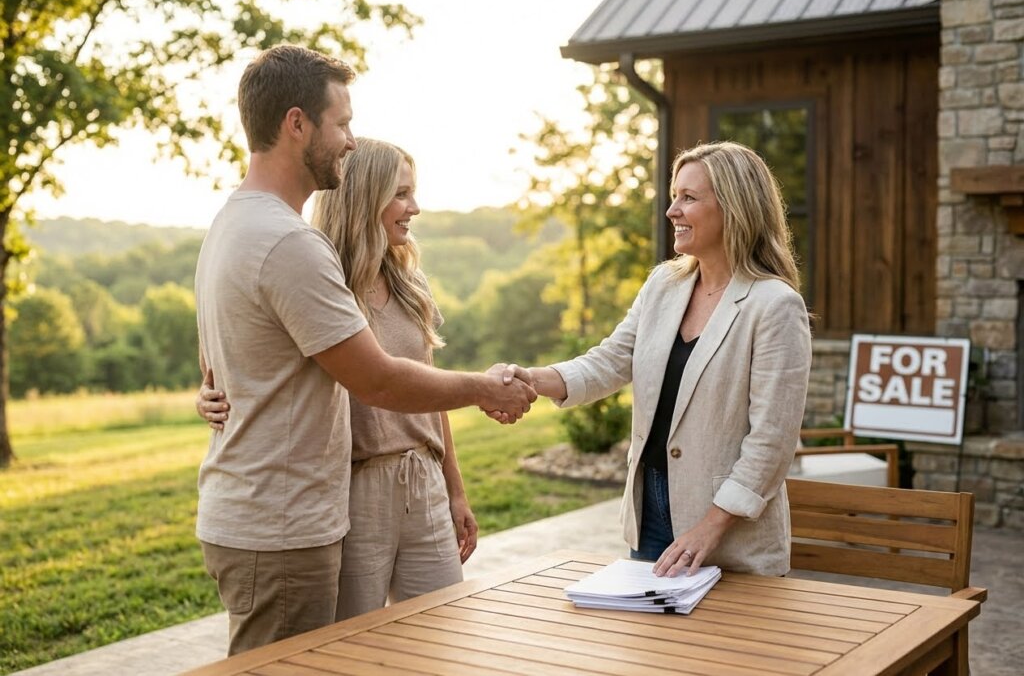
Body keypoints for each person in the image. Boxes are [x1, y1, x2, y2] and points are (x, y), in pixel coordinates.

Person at [193, 44, 534, 656]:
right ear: (297, 124)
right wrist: (485, 388)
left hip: (272, 516)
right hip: (281, 523)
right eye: (341, 122)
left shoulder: (232, 225)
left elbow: (233, 355)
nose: (350, 141)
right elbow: (377, 381)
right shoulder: (289, 244)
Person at [504, 141, 812, 579]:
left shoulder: (775, 306)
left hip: (729, 528)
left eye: (688, 198)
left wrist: (710, 527)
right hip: (650, 509)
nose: (672, 211)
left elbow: (771, 442)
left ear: (734, 207)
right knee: (653, 647)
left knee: (725, 649)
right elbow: (611, 360)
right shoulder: (663, 285)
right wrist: (530, 379)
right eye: (674, 196)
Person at [199, 138, 477, 622]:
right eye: (402, 194)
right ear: (366, 196)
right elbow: (247, 360)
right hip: (354, 489)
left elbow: (424, 388)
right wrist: (208, 396)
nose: (415, 207)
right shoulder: (317, 277)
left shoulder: (412, 283)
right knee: (355, 641)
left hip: (422, 478)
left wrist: (454, 490)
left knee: (442, 631)